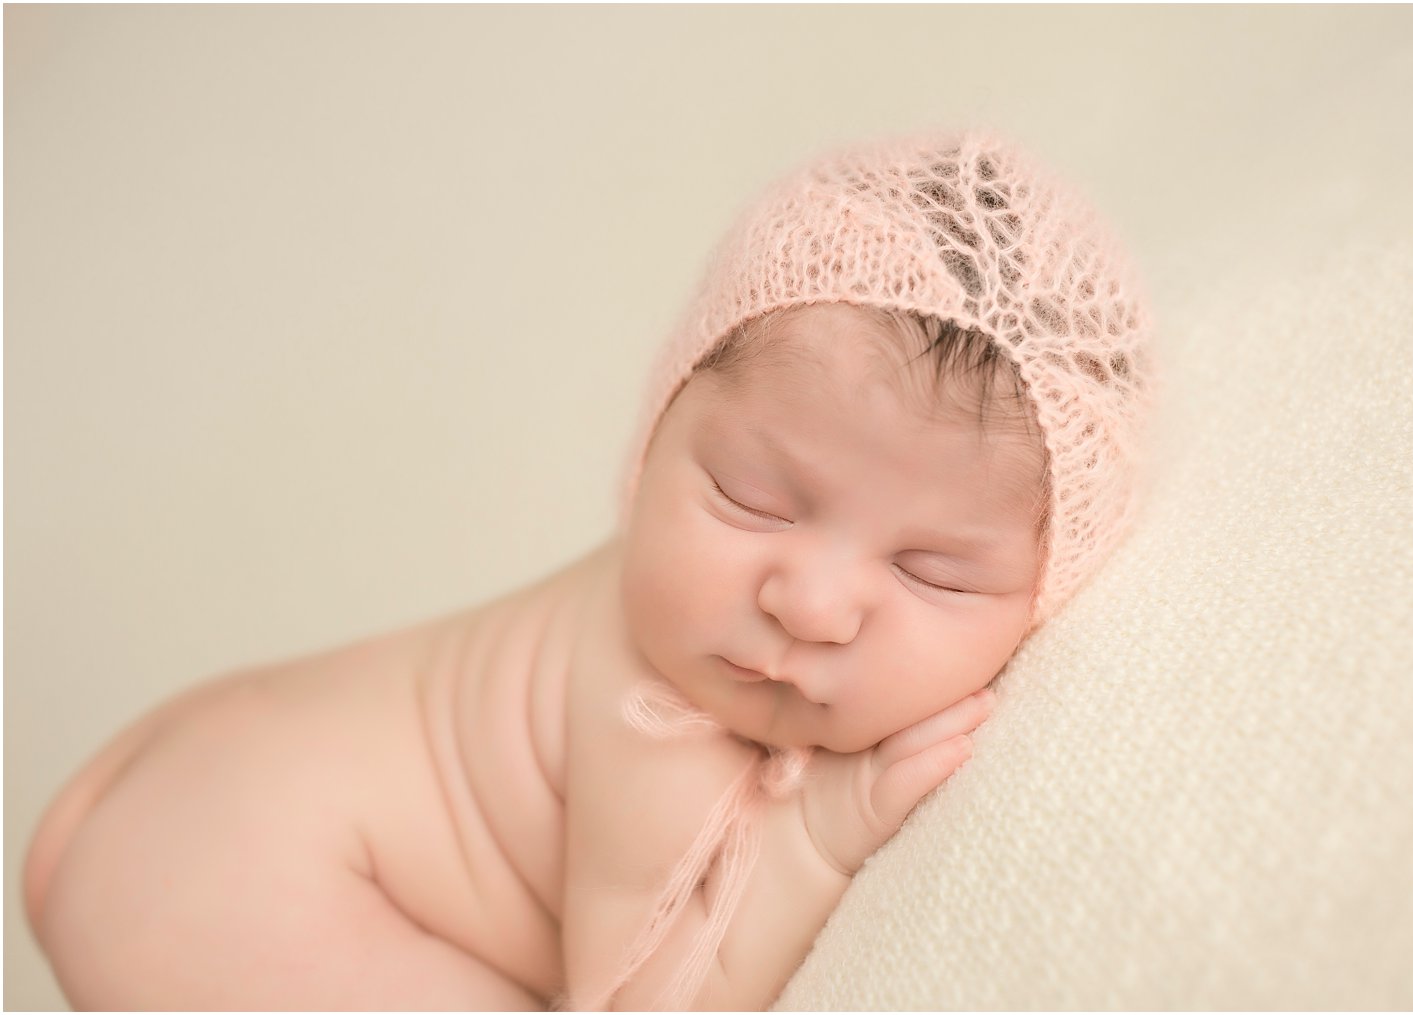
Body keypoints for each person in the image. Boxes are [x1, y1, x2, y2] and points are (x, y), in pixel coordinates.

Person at [23, 129, 1153, 1011]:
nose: (806, 603)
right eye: (750, 501)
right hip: (239, 868)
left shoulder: (706, 616)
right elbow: (646, 995)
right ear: (653, 438)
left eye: (932, 571)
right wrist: (811, 840)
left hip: (204, 786)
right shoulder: (653, 713)